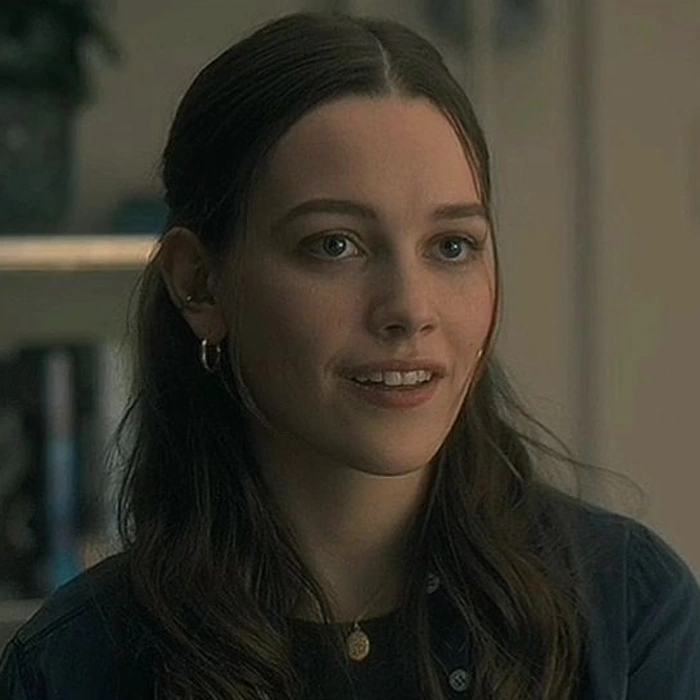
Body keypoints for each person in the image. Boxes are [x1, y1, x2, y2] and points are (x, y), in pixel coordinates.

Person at [1, 11, 698, 700]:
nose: (411, 309)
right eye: (335, 245)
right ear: (200, 283)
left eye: (452, 246)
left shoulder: (628, 615)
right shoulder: (76, 666)